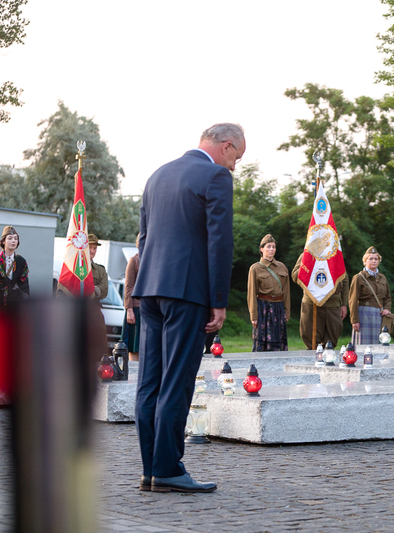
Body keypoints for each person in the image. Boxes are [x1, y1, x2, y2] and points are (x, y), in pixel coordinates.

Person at [133, 123, 241, 494]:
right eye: (236, 158)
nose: (234, 167)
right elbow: (219, 242)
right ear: (225, 146)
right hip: (187, 292)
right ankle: (167, 469)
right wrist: (219, 301)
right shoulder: (214, 176)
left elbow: (144, 238)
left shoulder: (157, 175)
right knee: (177, 382)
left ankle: (150, 469)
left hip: (149, 291)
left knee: (150, 383)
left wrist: (138, 290)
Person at [292, 256, 349, 349]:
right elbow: (295, 275)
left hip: (332, 304)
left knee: (331, 340)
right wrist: (310, 266)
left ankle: (328, 360)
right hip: (312, 303)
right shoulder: (308, 253)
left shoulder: (335, 254)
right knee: (311, 341)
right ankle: (312, 361)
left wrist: (344, 304)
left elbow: (344, 278)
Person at [247, 234, 290, 352]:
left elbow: (286, 292)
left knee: (278, 341)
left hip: (279, 308)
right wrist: (254, 316)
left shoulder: (282, 267)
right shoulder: (255, 268)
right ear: (262, 249)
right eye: (268, 247)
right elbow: (251, 294)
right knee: (261, 341)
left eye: (273, 247)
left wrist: (287, 312)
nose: (271, 249)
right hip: (263, 308)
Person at [349, 246, 392, 345]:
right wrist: (354, 320)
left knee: (379, 344)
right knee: (363, 346)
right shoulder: (358, 278)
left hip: (379, 315)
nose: (373, 261)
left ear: (379, 261)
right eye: (370, 259)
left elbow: (388, 297)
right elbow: (353, 300)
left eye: (376, 259)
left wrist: (387, 308)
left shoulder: (383, 278)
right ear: (365, 261)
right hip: (363, 314)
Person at [0, 225, 30, 306]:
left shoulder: (21, 261)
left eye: (15, 238)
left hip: (15, 305)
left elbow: (24, 285)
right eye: (10, 238)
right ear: (3, 241)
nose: (13, 241)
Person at [123, 234, 141, 361]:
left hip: (150, 309)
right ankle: (133, 378)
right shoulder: (133, 260)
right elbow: (128, 286)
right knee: (134, 347)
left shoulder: (154, 259)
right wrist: (129, 309)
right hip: (135, 310)